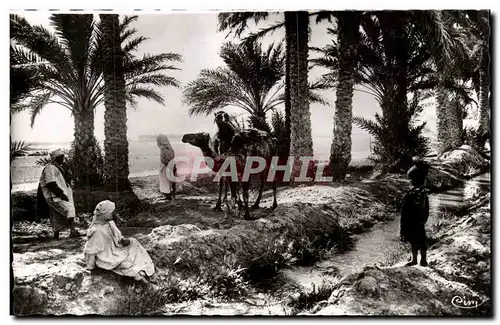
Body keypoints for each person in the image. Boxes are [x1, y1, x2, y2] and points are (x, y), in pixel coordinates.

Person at [83, 200, 155, 284]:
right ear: (106, 214)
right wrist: (90, 267)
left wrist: (122, 240)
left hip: (113, 248)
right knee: (126, 262)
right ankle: (145, 283)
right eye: (111, 212)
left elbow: (116, 235)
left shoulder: (107, 222)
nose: (113, 214)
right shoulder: (97, 230)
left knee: (133, 242)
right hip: (105, 257)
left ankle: (145, 270)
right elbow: (90, 251)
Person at [36, 149, 81, 239]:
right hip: (54, 196)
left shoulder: (56, 168)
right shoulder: (50, 168)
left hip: (54, 196)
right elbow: (50, 183)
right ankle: (72, 230)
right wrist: (61, 194)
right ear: (56, 158)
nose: (63, 159)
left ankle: (56, 234)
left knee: (55, 214)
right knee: (69, 208)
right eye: (61, 158)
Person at [400, 162, 430, 267]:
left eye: (410, 180)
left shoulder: (415, 192)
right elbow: (425, 208)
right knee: (419, 241)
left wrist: (404, 224)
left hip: (413, 220)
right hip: (417, 220)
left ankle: (418, 260)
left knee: (416, 241)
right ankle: (420, 260)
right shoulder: (421, 191)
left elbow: (408, 209)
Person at [156, 134, 182, 200]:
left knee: (164, 181)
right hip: (172, 165)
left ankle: (168, 196)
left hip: (165, 166)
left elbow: (164, 159)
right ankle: (173, 194)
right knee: (171, 180)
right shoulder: (171, 148)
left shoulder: (162, 149)